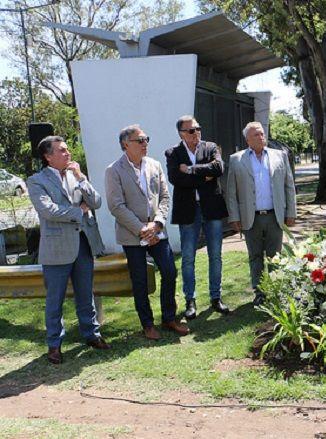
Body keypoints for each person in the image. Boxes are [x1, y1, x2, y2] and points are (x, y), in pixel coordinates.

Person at [27, 136, 110, 364]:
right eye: (62, 150)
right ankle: (54, 344)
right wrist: (79, 211)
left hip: (83, 243)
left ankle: (92, 334)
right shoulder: (36, 181)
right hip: (56, 248)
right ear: (48, 156)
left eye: (67, 149)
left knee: (86, 293)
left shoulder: (76, 175)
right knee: (55, 299)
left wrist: (82, 178)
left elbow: (96, 202)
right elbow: (48, 210)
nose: (68, 153)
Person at [105, 125, 189, 340]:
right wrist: (142, 229)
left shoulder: (154, 164)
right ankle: (147, 324)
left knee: (169, 271)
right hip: (132, 235)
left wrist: (157, 224)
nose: (145, 144)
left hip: (157, 231)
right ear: (126, 144)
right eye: (140, 140)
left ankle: (169, 317)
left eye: (146, 139)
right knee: (140, 280)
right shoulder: (113, 170)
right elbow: (116, 206)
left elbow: (165, 197)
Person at [165, 115, 230, 319]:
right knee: (188, 258)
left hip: (212, 208)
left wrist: (191, 170)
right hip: (188, 211)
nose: (196, 133)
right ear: (181, 134)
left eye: (198, 128)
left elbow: (218, 168)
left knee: (215, 255)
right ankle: (190, 301)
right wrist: (205, 177)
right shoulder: (173, 153)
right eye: (192, 130)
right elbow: (176, 178)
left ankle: (216, 297)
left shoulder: (210, 147)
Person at [226, 122, 297, 306]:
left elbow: (289, 185)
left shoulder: (279, 155)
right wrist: (234, 217)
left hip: (275, 216)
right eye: (256, 135)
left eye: (262, 133)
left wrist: (291, 212)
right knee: (255, 257)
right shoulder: (236, 159)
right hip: (251, 218)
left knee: (276, 257)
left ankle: (276, 291)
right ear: (247, 139)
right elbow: (231, 192)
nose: (261, 137)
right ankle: (259, 292)